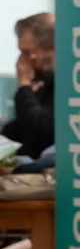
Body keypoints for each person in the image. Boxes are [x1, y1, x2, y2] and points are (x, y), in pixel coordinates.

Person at [1, 12, 55, 163]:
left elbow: (40, 129)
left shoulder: (70, 89)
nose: (22, 61)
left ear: (50, 49)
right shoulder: (45, 89)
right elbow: (19, 129)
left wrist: (24, 84)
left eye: (27, 52)